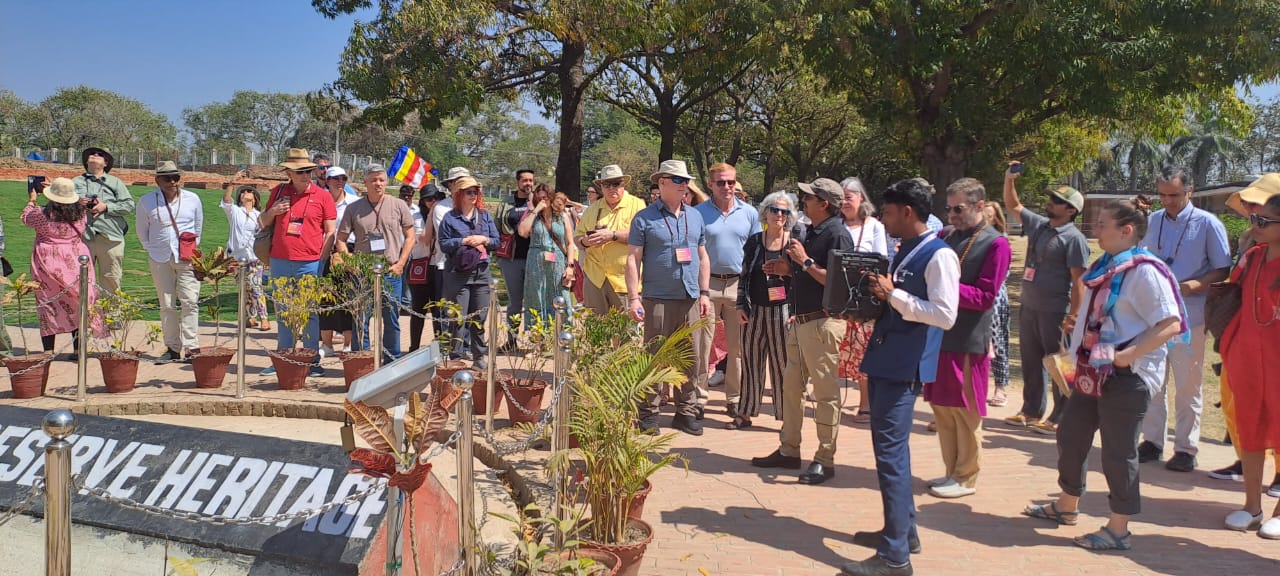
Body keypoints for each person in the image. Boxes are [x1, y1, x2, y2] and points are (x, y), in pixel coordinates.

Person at [1022, 198, 1186, 553]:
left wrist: (1128, 356)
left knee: (1118, 451)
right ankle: (1067, 506)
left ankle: (1119, 528)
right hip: (1092, 372)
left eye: (1102, 225)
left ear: (1127, 231)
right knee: (1071, 433)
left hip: (1127, 377)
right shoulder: (1107, 265)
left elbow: (1170, 323)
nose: (1094, 230)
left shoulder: (1145, 271)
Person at [842, 178, 957, 576]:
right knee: (893, 455)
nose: (883, 219)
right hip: (885, 358)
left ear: (908, 212)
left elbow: (945, 314)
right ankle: (902, 532)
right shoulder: (905, 248)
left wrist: (893, 295)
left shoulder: (939, 255)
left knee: (890, 459)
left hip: (905, 365)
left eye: (888, 213)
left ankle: (895, 558)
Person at [751, 178, 852, 484]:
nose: (803, 200)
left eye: (809, 197)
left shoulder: (837, 234)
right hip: (800, 320)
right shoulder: (809, 230)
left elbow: (837, 283)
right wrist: (784, 268)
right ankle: (789, 449)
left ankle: (825, 458)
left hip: (823, 322)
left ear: (824, 203)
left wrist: (803, 260)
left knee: (825, 395)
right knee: (791, 388)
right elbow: (803, 274)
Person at [1135, 165, 1232, 472]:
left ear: (1190, 191)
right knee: (1153, 380)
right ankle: (1152, 442)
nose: (1168, 201)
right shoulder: (1151, 221)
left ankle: (1186, 448)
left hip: (1190, 317)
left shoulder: (1208, 223)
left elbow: (1223, 268)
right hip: (1152, 316)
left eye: (1174, 195)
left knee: (1188, 384)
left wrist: (1198, 283)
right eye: (1162, 195)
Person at [924, 178, 1011, 499]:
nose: (952, 215)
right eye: (948, 208)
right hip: (939, 335)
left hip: (968, 337)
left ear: (978, 206)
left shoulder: (996, 244)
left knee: (965, 410)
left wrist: (943, 288)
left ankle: (967, 476)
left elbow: (986, 295)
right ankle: (951, 471)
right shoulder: (946, 236)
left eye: (958, 209)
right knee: (942, 408)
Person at [1003, 162, 1090, 434]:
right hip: (1029, 305)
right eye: (1052, 198)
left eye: (1058, 201)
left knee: (1058, 362)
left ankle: (1062, 415)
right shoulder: (1040, 225)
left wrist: (1074, 316)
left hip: (1055, 310)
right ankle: (1031, 410)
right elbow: (1013, 206)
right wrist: (1009, 180)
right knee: (1031, 360)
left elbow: (1079, 281)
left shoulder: (1074, 239)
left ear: (1072, 211)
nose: (1051, 203)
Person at [626, 159, 711, 436]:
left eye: (686, 180)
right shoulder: (644, 218)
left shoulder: (695, 216)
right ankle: (648, 414)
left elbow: (702, 256)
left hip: (690, 298)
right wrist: (633, 298)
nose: (684, 184)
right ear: (662, 182)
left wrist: (705, 293)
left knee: (691, 358)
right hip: (657, 298)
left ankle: (685, 411)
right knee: (654, 357)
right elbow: (632, 258)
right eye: (677, 180)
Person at [1210, 173, 1280, 494]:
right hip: (1246, 341)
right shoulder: (1250, 246)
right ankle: (1245, 467)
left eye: (1261, 208)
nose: (1252, 213)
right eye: (1250, 208)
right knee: (1239, 407)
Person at [260, 149, 337, 376]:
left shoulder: (323, 196)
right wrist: (273, 211)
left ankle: (312, 360)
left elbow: (330, 230)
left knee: (310, 312)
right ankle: (283, 359)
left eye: (308, 170)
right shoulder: (278, 192)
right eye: (300, 171)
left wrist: (321, 260)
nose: (306, 175)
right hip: (280, 261)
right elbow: (262, 222)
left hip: (310, 263)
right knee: (284, 312)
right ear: (289, 173)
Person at [693, 163, 760, 421]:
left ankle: (735, 399)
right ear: (710, 185)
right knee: (702, 345)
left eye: (731, 182)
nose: (727, 187)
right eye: (721, 182)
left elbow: (755, 251)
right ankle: (699, 398)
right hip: (707, 285)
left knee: (738, 347)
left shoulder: (749, 213)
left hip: (737, 285)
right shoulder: (698, 213)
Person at [334, 165, 416, 364]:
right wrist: (350, 262)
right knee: (361, 318)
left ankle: (392, 361)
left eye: (381, 180)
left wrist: (401, 263)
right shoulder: (354, 209)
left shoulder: (398, 205)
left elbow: (411, 236)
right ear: (365, 182)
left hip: (391, 271)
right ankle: (362, 360)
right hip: (363, 273)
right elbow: (341, 239)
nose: (378, 184)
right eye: (373, 180)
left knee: (391, 319)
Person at [734, 191, 800, 429]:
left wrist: (795, 310)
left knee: (783, 365)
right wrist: (741, 304)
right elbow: (744, 274)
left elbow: (800, 278)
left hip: (782, 311)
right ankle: (745, 412)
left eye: (784, 211)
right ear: (766, 213)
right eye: (775, 210)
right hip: (755, 310)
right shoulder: (754, 241)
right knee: (751, 361)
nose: (779, 215)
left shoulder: (794, 241)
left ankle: (786, 417)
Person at [23, 177, 107, 354]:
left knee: (47, 304)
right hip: (76, 258)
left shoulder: (41, 214)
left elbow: (25, 217)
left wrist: (32, 199)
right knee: (78, 301)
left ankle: (48, 350)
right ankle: (78, 350)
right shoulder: (81, 214)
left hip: (47, 261)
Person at [136, 162, 204, 362]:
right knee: (166, 304)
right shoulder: (147, 201)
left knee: (190, 301)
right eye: (167, 178)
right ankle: (172, 347)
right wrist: (154, 249)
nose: (172, 182)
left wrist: (189, 247)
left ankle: (192, 346)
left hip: (186, 256)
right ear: (157, 180)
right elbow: (142, 232)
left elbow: (198, 227)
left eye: (176, 178)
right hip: (160, 257)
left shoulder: (193, 199)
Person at [838, 177, 889, 423]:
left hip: (862, 299)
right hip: (835, 296)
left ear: (861, 199)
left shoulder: (874, 227)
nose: (844, 201)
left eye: (849, 196)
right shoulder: (834, 225)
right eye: (841, 197)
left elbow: (881, 261)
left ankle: (865, 404)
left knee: (863, 351)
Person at [438, 176, 500, 369]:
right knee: (458, 317)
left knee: (479, 318)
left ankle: (479, 357)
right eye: (468, 192)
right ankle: (455, 357)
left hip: (481, 273)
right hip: (458, 274)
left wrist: (484, 239)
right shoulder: (450, 218)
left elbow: (497, 241)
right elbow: (443, 244)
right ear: (459, 195)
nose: (473, 195)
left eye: (475, 192)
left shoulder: (485, 216)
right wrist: (464, 241)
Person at [576, 165, 646, 315]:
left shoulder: (637, 205)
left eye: (616, 183)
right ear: (601, 187)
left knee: (625, 333)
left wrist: (612, 235)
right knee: (595, 332)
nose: (611, 188)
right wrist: (586, 241)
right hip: (595, 278)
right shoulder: (592, 209)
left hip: (624, 280)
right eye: (606, 184)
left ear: (623, 184)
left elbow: (642, 236)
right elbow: (577, 238)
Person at [72, 147, 135, 297]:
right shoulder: (75, 182)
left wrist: (105, 207)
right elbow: (62, 205)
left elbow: (129, 205)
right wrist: (77, 202)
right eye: (91, 154)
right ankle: (83, 319)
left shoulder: (115, 182)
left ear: (106, 163)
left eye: (100, 155)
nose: (95, 155)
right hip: (82, 237)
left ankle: (112, 320)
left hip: (110, 238)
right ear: (86, 161)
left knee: (111, 280)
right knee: (79, 280)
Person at [518, 184, 577, 322]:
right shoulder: (533, 216)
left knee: (561, 295)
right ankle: (540, 338)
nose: (542, 201)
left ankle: (563, 334)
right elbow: (522, 232)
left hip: (558, 262)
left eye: (545, 198)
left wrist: (570, 266)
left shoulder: (562, 216)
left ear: (551, 197)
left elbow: (569, 243)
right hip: (536, 262)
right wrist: (535, 210)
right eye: (539, 198)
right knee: (537, 296)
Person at [318, 167, 359, 358]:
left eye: (343, 178)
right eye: (335, 178)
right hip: (324, 252)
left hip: (348, 252)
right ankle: (327, 344)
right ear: (327, 180)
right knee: (326, 299)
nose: (340, 181)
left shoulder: (354, 202)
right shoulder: (320, 199)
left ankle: (348, 343)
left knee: (348, 298)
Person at [220, 179, 269, 331]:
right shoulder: (235, 211)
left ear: (255, 198)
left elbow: (265, 235)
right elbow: (227, 200)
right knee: (244, 288)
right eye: (242, 192)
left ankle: (264, 318)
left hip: (254, 256)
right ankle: (251, 316)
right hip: (236, 257)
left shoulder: (259, 215)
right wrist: (231, 183)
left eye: (249, 191)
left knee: (256, 286)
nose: (245, 194)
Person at [495, 169, 536, 343]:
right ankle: (511, 340)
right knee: (515, 301)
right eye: (525, 180)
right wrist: (498, 256)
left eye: (531, 180)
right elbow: (496, 228)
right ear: (517, 182)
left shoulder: (538, 202)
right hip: (511, 259)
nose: (528, 183)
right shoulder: (506, 204)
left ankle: (536, 341)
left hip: (535, 259)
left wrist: (535, 205)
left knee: (535, 300)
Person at [984, 201, 1012, 407]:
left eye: (990, 215)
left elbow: (1004, 273)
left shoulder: (1000, 241)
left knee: (997, 340)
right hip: (978, 295)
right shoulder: (973, 239)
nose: (985, 218)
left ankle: (1001, 386)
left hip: (995, 298)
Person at [407, 187, 442, 353]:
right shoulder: (415, 217)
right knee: (418, 309)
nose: (433, 202)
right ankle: (414, 347)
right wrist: (431, 215)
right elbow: (425, 239)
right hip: (419, 265)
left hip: (438, 266)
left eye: (436, 199)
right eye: (429, 200)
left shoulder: (444, 214)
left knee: (438, 309)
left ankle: (440, 346)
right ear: (422, 201)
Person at [396, 184, 419, 311]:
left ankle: (406, 303)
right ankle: (396, 302)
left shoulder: (417, 211)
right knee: (396, 276)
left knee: (407, 277)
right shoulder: (393, 208)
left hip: (411, 249)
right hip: (395, 248)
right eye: (403, 195)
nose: (406, 198)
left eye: (409, 196)